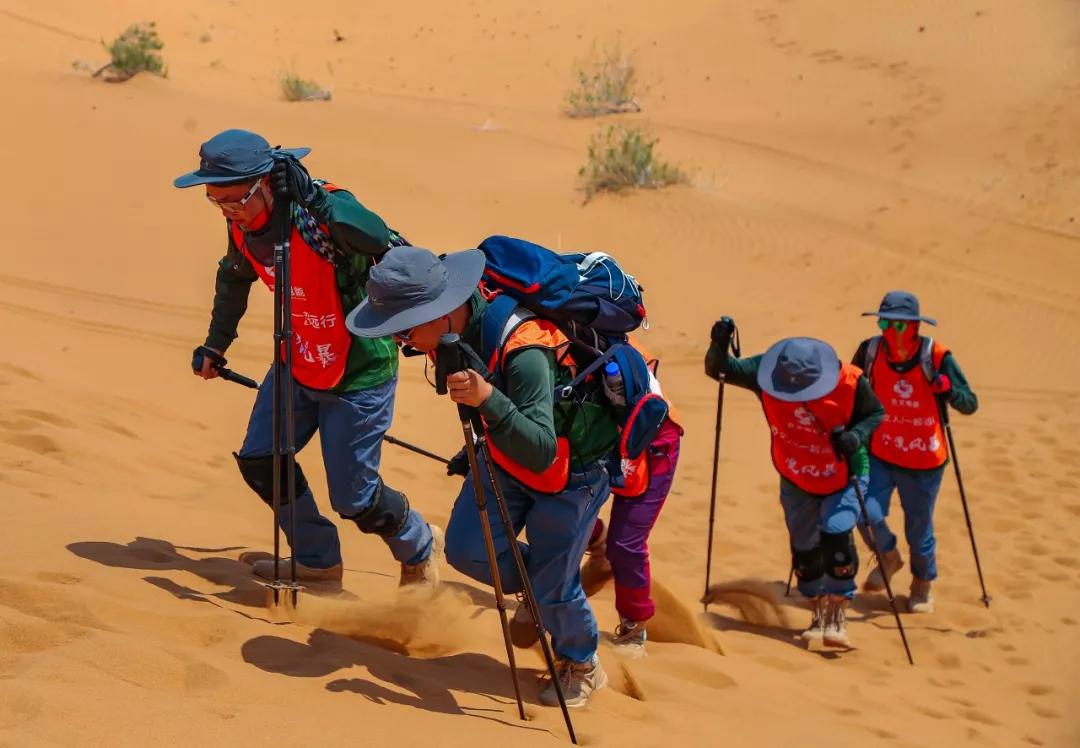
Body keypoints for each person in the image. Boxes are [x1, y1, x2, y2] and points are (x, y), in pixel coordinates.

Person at [346, 246, 619, 707]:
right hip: (503, 455)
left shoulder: (525, 350)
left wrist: (487, 398)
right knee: (470, 551)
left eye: (406, 331)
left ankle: (583, 662)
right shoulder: (456, 336)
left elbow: (541, 450)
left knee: (555, 584)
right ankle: (548, 591)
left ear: (443, 313)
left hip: (575, 472)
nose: (402, 344)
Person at [175, 129, 440, 587]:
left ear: (263, 184)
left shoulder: (320, 211)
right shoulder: (242, 224)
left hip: (358, 371)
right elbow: (234, 276)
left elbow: (376, 234)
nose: (228, 211)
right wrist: (217, 343)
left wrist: (315, 197)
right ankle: (318, 560)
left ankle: (418, 544)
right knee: (262, 461)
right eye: (216, 201)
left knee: (355, 499)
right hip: (296, 360)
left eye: (234, 200)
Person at [705, 326, 884, 647]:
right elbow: (720, 370)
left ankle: (838, 613)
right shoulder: (765, 372)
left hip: (844, 473)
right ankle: (817, 611)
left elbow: (876, 414)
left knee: (837, 532)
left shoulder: (851, 382)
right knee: (804, 550)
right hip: (795, 475)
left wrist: (856, 436)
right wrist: (719, 344)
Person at [853, 291, 979, 613]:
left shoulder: (935, 355)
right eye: (884, 322)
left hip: (924, 461)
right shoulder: (869, 351)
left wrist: (948, 390)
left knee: (919, 529)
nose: (888, 331)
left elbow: (969, 403)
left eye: (897, 325)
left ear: (914, 327)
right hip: (881, 451)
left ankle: (922, 584)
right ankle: (888, 556)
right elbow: (849, 387)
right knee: (864, 511)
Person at [582, 341, 682, 659]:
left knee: (626, 545)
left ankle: (634, 625)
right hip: (593, 435)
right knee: (555, 514)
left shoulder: (609, 340)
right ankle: (595, 541)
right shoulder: (545, 338)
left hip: (651, 441)